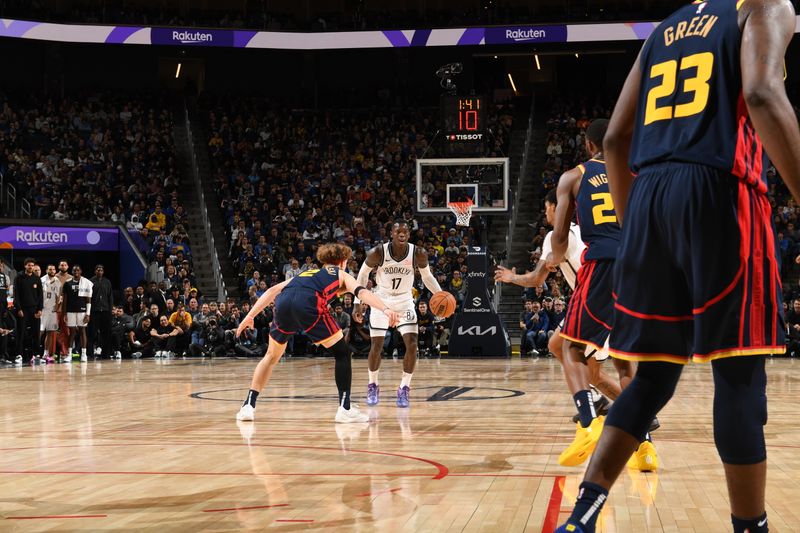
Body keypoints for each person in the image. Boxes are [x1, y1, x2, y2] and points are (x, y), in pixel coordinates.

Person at [556, 0, 799, 531]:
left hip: (646, 204)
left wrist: (636, 221)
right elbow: (760, 92)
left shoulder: (663, 30)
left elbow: (616, 139)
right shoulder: (764, 7)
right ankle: (750, 526)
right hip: (720, 194)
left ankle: (582, 517)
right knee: (739, 381)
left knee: (650, 383)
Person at [234, 243, 401, 424]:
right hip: (309, 303)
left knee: (271, 356)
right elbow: (361, 292)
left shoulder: (306, 273)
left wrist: (249, 317)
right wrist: (385, 309)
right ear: (343, 262)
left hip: (284, 304)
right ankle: (344, 409)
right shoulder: (341, 273)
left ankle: (248, 406)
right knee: (342, 353)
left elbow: (272, 290)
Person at [355, 220, 443, 408]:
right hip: (381, 300)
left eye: (405, 231)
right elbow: (362, 275)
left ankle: (404, 388)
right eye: (398, 231)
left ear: (409, 235)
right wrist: (357, 302)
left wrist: (440, 295)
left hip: (404, 301)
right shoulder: (378, 252)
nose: (401, 233)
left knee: (412, 345)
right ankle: (373, 384)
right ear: (391, 234)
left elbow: (427, 277)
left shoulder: (418, 253)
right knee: (376, 346)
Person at [13, 258, 43, 365]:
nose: (31, 267)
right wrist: (19, 308)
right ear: (25, 266)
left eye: (32, 265)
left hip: (34, 310)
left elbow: (40, 296)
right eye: (29, 265)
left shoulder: (37, 279)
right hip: (23, 310)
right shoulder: (19, 278)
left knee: (36, 333)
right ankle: (19, 355)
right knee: (20, 333)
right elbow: (16, 295)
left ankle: (36, 355)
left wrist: (40, 309)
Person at [61, 265, 93, 362]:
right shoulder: (67, 283)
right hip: (70, 310)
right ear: (72, 271)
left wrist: (88, 314)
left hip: (82, 310)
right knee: (72, 332)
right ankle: (69, 354)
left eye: (78, 270)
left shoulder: (86, 283)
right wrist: (64, 313)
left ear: (81, 271)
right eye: (74, 270)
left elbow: (88, 300)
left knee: (82, 331)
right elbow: (65, 300)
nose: (76, 272)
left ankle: (84, 354)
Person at [88, 264, 113, 359]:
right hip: (94, 311)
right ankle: (89, 354)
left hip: (105, 311)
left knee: (106, 334)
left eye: (101, 270)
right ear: (95, 271)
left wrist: (110, 310)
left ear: (103, 272)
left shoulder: (107, 282)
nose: (100, 272)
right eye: (98, 270)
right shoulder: (90, 282)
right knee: (91, 333)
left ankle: (106, 354)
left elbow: (110, 297)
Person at [40, 264, 62, 364]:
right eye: (50, 269)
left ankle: (46, 353)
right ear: (46, 270)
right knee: (40, 332)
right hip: (43, 309)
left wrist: (57, 307)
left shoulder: (58, 281)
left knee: (50, 332)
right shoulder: (42, 280)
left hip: (52, 310)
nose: (52, 271)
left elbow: (58, 296)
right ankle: (35, 352)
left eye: (53, 269)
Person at [55, 260, 72, 358]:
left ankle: (64, 351)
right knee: (53, 331)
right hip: (55, 309)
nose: (63, 266)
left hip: (67, 309)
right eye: (62, 265)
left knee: (66, 331)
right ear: (59, 266)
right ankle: (52, 352)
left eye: (65, 265)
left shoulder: (71, 278)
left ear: (68, 266)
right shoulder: (54, 277)